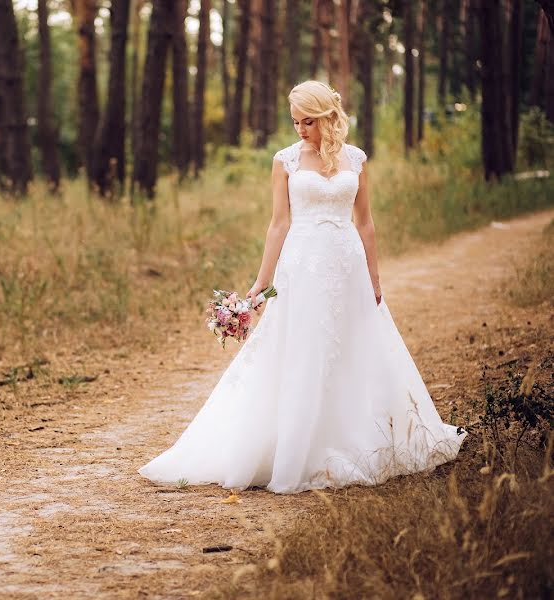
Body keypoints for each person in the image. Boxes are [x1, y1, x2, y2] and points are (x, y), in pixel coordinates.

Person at [138, 81, 466, 494]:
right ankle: (291, 448)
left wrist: (374, 278)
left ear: (327, 117)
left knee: (353, 347)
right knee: (303, 350)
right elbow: (279, 224)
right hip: (302, 266)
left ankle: (357, 437)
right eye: (294, 121)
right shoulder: (286, 161)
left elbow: (365, 223)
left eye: (307, 121)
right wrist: (261, 283)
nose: (300, 130)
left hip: (346, 264)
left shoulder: (356, 159)